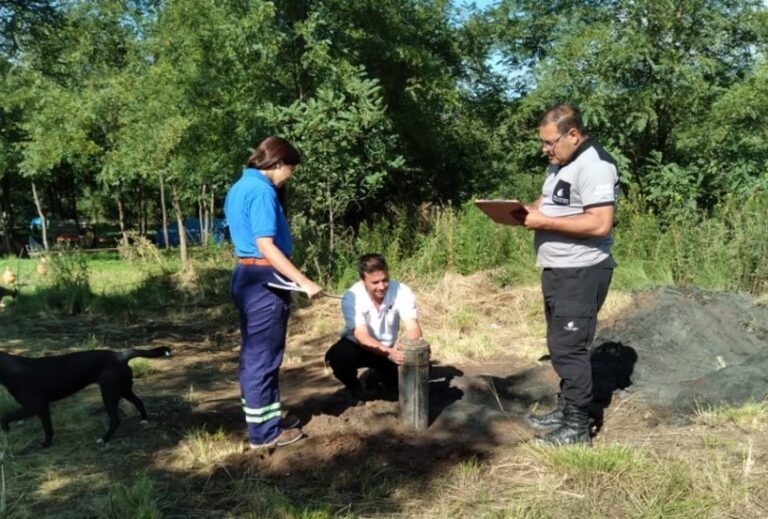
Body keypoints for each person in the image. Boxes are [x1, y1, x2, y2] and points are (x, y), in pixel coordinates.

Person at [516, 104, 619, 446]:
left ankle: (577, 429)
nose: (545, 149)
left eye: (550, 142)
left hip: (582, 270)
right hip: (559, 270)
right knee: (560, 346)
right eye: (543, 143)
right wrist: (524, 211)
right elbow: (549, 200)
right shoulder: (563, 163)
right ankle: (567, 409)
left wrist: (543, 222)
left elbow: (599, 222)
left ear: (572, 134)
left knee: (569, 348)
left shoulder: (596, 167)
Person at [224, 136, 323, 449]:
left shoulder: (239, 187)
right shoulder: (262, 191)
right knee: (263, 358)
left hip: (246, 274)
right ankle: (264, 435)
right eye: (290, 169)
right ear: (278, 162)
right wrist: (304, 281)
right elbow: (266, 246)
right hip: (263, 279)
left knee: (255, 356)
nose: (289, 176)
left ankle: (266, 420)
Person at [325, 253, 423, 404]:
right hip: (360, 347)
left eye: (385, 280)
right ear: (363, 280)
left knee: (417, 369)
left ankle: (376, 376)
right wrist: (389, 353)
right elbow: (362, 336)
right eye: (375, 282)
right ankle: (354, 387)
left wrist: (404, 347)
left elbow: (413, 327)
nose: (382, 286)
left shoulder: (401, 291)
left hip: (389, 349)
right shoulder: (351, 297)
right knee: (338, 356)